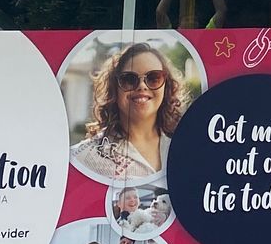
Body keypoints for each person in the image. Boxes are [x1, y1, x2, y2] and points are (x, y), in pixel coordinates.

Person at [72, 42, 188, 180]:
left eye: (154, 78)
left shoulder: (185, 149)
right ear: (115, 89)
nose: (142, 86)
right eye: (129, 79)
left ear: (166, 86)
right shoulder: (81, 157)